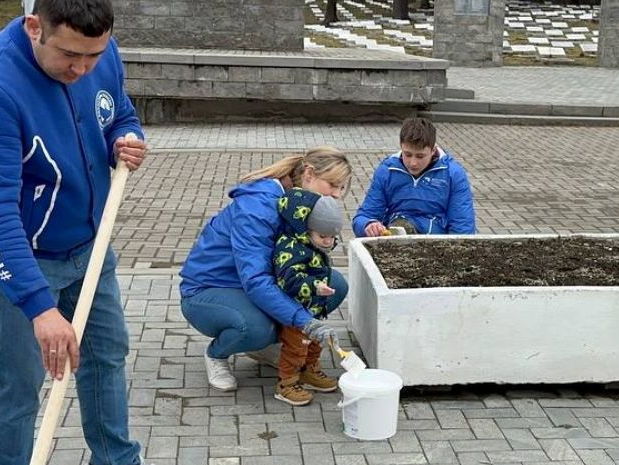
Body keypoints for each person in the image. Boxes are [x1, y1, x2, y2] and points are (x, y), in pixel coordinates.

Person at [0, 0, 190, 465]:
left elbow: (120, 112)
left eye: (93, 55)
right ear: (35, 27)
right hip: (20, 258)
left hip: (90, 244)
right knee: (20, 384)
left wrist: (127, 137)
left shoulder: (99, 54)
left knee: (106, 354)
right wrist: (38, 306)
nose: (82, 68)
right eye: (68, 54)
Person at [179, 148, 352, 391]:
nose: (336, 195)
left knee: (334, 285)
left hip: (252, 284)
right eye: (333, 185)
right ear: (310, 174)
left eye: (342, 188)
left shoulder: (301, 202)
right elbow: (256, 279)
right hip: (210, 289)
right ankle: (217, 354)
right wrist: (304, 321)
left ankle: (266, 347)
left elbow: (298, 261)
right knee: (256, 327)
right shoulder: (257, 207)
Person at [271, 189, 344, 406]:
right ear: (306, 229)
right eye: (323, 237)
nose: (328, 242)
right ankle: (286, 383)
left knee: (314, 343)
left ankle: (309, 371)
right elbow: (288, 280)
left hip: (313, 308)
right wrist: (314, 286)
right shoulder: (291, 247)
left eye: (332, 237)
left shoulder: (312, 244)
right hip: (295, 310)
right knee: (296, 347)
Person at [352, 117, 476, 238]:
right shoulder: (387, 170)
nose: (413, 163)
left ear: (433, 150)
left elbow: (463, 228)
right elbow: (364, 216)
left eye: (420, 156)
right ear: (401, 146)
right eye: (408, 154)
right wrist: (368, 225)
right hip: (394, 238)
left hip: (435, 244)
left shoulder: (453, 173)